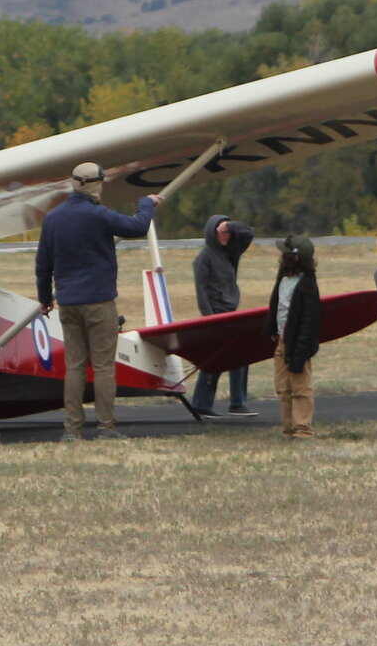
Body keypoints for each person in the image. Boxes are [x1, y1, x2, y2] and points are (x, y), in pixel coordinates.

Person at [35, 162, 162, 440]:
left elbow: (43, 265)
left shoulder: (53, 219)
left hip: (68, 302)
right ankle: (106, 427)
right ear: (97, 185)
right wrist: (146, 203)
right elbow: (138, 226)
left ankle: (72, 429)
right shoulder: (98, 214)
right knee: (104, 366)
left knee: (75, 366)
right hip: (99, 301)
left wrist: (45, 299)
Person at [189, 213, 259, 418]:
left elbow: (248, 233)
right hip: (217, 314)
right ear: (211, 232)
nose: (226, 236)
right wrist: (210, 320)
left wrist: (230, 225)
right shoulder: (203, 257)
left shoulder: (231, 253)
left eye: (229, 232)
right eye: (221, 232)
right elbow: (201, 292)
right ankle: (204, 404)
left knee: (238, 354)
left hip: (230, 311)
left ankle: (235, 402)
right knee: (219, 357)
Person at [269, 234, 323, 439]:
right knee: (283, 388)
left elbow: (309, 324)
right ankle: (288, 429)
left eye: (285, 253)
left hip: (298, 344)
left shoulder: (307, 285)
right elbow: (276, 305)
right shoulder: (283, 278)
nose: (281, 256)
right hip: (282, 339)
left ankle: (303, 430)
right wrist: (272, 330)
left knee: (300, 387)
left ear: (294, 258)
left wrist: (300, 353)